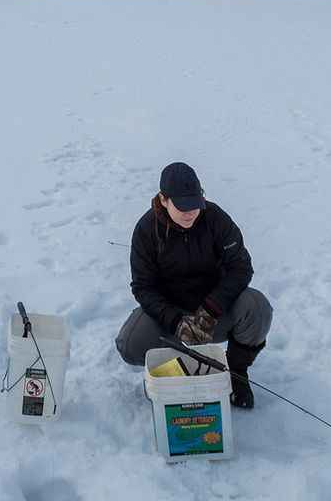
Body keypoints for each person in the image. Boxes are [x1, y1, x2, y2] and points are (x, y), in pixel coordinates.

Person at [115, 161, 272, 408]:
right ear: (164, 200)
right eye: (182, 206)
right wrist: (175, 321)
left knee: (257, 307)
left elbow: (241, 267)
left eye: (195, 204)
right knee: (130, 344)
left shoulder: (216, 219)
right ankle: (175, 374)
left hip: (214, 312)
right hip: (170, 315)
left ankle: (236, 374)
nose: (191, 212)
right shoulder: (146, 230)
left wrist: (211, 309)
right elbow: (143, 287)